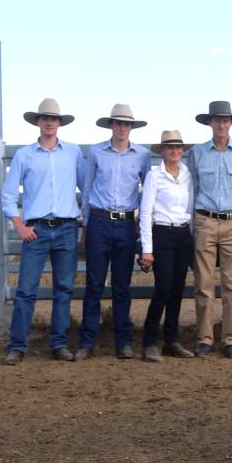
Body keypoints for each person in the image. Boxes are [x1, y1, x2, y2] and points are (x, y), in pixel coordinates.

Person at [1, 98, 87, 365]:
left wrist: (84, 221)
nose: (49, 122)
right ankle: (17, 345)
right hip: (35, 230)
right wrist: (19, 225)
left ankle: (59, 344)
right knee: (26, 289)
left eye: (54, 118)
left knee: (64, 288)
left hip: (66, 228)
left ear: (60, 123)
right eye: (45, 118)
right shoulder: (24, 155)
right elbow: (7, 194)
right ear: (38, 122)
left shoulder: (72, 153)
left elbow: (87, 189)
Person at [75, 104, 151, 360]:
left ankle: (123, 341)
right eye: (118, 123)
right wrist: (85, 223)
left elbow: (148, 192)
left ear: (131, 127)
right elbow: (86, 189)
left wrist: (142, 225)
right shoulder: (96, 152)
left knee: (122, 286)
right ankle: (87, 341)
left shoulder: (142, 155)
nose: (122, 128)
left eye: (126, 124)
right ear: (111, 125)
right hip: (98, 220)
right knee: (94, 284)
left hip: (126, 223)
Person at [185, 101, 232, 359]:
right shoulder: (196, 154)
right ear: (210, 123)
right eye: (217, 120)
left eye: (226, 120)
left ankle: (231, 339)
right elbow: (192, 188)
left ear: (231, 123)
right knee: (203, 283)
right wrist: (198, 220)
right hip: (205, 220)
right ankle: (204, 338)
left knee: (231, 284)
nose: (222, 124)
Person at [138, 130, 197, 362]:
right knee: (163, 289)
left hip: (183, 234)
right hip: (161, 232)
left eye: (178, 147)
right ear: (162, 151)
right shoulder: (155, 177)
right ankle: (149, 341)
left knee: (177, 290)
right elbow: (145, 212)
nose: (175, 151)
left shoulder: (187, 175)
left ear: (183, 151)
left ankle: (171, 340)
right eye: (170, 147)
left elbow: (190, 209)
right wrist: (147, 248)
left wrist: (191, 240)